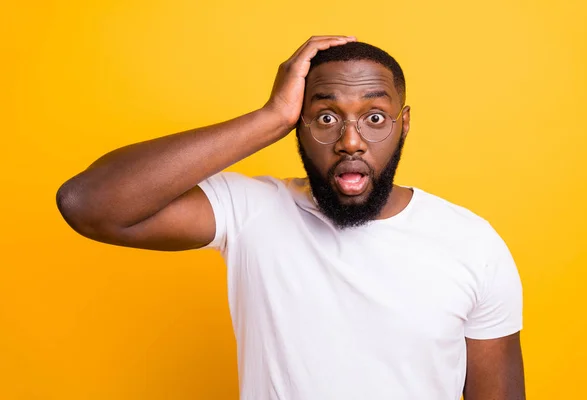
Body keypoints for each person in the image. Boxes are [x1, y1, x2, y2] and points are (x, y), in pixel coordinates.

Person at [56, 36, 525, 400]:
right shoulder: (252, 211)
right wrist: (270, 117)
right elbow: (88, 204)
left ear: (404, 123)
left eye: (375, 118)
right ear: (298, 124)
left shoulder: (471, 244)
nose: (351, 141)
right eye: (324, 117)